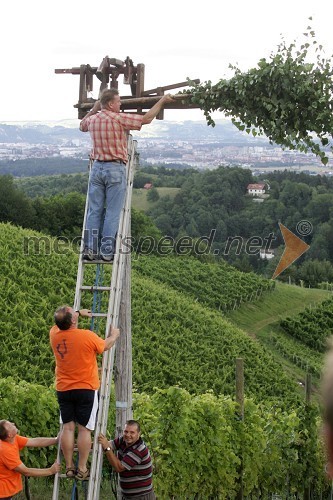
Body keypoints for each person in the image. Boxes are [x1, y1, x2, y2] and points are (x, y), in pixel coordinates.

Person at [80, 89, 175, 261]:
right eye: (118, 101)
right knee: (112, 213)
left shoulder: (93, 120)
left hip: (97, 168)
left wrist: (94, 108)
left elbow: (82, 125)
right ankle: (107, 252)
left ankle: (89, 250)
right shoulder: (119, 118)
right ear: (110, 104)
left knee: (94, 211)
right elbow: (146, 119)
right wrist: (162, 101)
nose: (120, 104)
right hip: (114, 169)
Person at [49, 305, 120, 481]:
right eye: (74, 312)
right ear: (73, 320)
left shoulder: (54, 334)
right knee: (84, 429)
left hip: (64, 388)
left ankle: (69, 466)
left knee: (67, 427)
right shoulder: (86, 336)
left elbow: (62, 320)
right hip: (86, 388)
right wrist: (114, 335)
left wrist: (79, 313)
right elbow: (105, 346)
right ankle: (82, 468)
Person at [0, 419, 60, 499]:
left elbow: (34, 441)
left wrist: (56, 440)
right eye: (11, 425)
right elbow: (26, 471)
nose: (13, 423)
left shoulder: (13, 439)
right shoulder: (5, 450)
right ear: (10, 435)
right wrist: (50, 470)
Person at [98, 420, 155, 499]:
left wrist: (107, 448)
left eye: (132, 432)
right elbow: (107, 444)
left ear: (139, 434)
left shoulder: (139, 450)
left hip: (141, 497)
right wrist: (79, 445)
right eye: (126, 431)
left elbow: (119, 467)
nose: (128, 435)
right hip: (128, 496)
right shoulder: (123, 440)